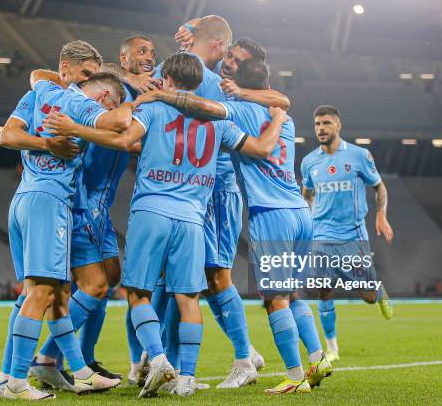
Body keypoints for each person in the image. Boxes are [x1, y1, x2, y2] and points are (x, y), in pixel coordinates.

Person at [43, 52, 287, 398]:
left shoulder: (152, 109)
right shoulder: (218, 121)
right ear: (198, 84)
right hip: (192, 219)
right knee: (188, 298)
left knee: (140, 294)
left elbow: (125, 141)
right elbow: (261, 148)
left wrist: (74, 129)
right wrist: (278, 117)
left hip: (152, 212)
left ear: (168, 80)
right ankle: (186, 377)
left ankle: (156, 360)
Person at [137, 58, 333, 393]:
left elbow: (204, 107)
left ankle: (294, 375)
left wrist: (164, 96)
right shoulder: (282, 118)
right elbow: (277, 109)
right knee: (293, 293)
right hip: (301, 211)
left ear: (236, 83)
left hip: (270, 213)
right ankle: (317, 356)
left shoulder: (240, 111)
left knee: (274, 298)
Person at [0, 41, 125, 400]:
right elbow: (118, 122)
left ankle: (79, 371)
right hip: (51, 202)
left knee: (56, 293)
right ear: (66, 70)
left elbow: (8, 135)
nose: (92, 85)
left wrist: (42, 144)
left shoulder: (38, 92)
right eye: (87, 76)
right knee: (41, 293)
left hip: (23, 198)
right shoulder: (78, 102)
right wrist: (136, 99)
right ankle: (15, 382)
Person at [300, 105, 394, 363]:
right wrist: (306, 220)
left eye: (327, 123)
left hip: (353, 236)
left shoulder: (359, 155)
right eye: (317, 123)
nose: (321, 128)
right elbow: (306, 195)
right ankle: (332, 348)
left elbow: (379, 187)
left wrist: (381, 214)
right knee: (323, 288)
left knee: (368, 297)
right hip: (321, 235)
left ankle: (379, 291)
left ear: (338, 126)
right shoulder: (309, 161)